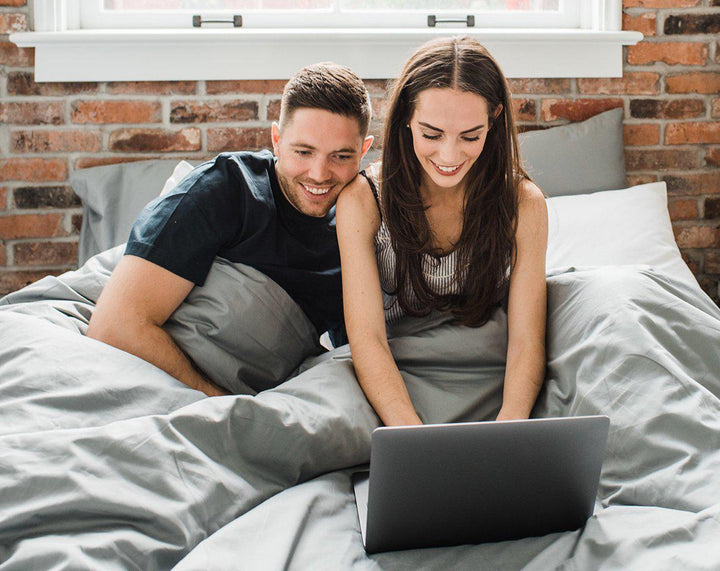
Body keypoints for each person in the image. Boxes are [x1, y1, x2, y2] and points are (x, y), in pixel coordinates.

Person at [87, 63, 374, 397]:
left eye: (340, 156)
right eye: (303, 151)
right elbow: (114, 325)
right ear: (276, 139)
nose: (320, 173)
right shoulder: (225, 188)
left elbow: (362, 350)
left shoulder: (354, 231)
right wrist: (216, 400)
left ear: (363, 151)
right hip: (173, 376)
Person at [336, 37, 547, 426]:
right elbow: (367, 341)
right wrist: (410, 435)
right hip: (393, 375)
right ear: (406, 118)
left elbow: (526, 343)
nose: (449, 156)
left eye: (471, 136)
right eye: (431, 134)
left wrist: (511, 425)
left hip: (486, 372)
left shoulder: (524, 203)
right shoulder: (362, 201)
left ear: (495, 119)